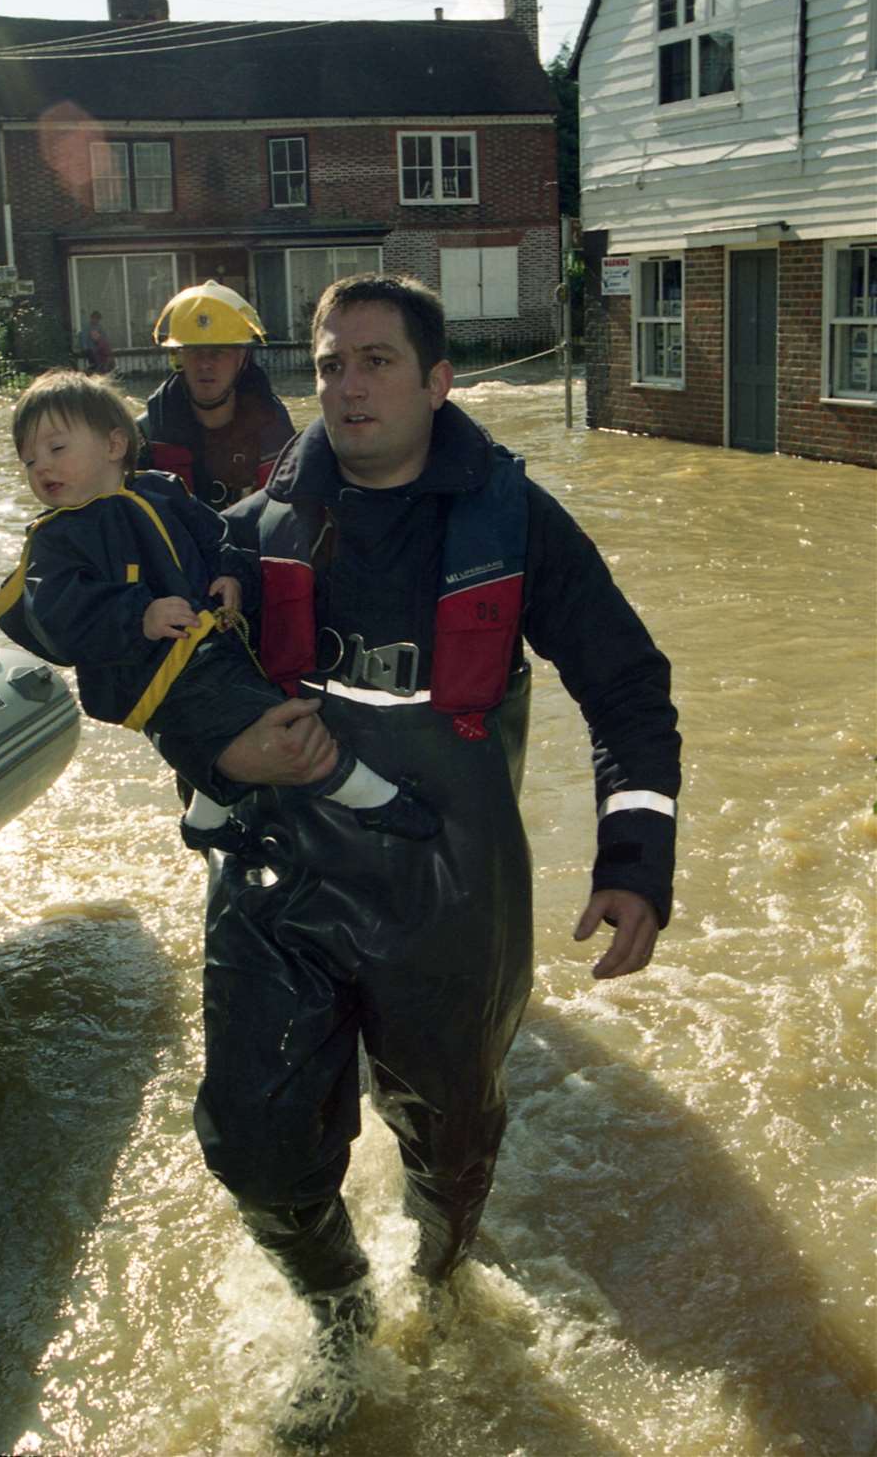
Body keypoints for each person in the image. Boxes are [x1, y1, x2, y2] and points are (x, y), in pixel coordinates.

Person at [154, 273, 682, 1444]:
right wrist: (218, 731)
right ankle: (341, 1313)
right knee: (253, 1144)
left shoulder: (516, 520)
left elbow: (630, 689)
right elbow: (153, 680)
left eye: (377, 361)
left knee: (449, 1132)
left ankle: (439, 1283)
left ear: (439, 382)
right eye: (331, 362)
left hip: (447, 886)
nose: (347, 385)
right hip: (278, 871)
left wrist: (636, 856)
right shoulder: (246, 528)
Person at [0, 369, 440, 855]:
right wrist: (139, 615)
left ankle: (205, 824)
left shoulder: (161, 489)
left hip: (210, 646)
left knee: (229, 727)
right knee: (284, 726)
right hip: (153, 676)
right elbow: (58, 618)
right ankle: (379, 802)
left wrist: (231, 575)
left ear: (115, 444)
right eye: (29, 460)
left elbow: (218, 537)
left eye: (56, 449)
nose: (41, 468)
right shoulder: (55, 538)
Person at [137, 279, 294, 510]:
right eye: (193, 352)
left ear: (241, 358)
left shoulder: (275, 429)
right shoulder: (147, 434)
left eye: (217, 353)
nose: (205, 364)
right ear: (178, 357)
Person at [80, 310, 114, 374]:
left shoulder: (99, 327)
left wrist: (106, 345)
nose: (96, 320)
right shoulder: (87, 327)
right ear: (92, 318)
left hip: (99, 350)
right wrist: (85, 348)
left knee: (102, 362)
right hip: (90, 349)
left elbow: (104, 338)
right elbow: (84, 339)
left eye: (98, 319)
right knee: (94, 363)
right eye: (95, 318)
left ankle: (100, 372)